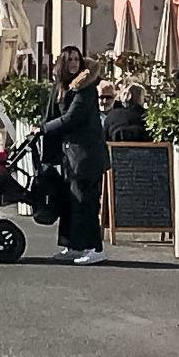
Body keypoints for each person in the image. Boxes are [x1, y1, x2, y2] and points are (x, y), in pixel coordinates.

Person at [41, 47, 108, 264]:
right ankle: (74, 245)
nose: (73, 63)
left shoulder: (85, 89)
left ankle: (95, 248)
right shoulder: (65, 87)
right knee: (72, 202)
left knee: (86, 202)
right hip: (72, 155)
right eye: (69, 59)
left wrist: (43, 129)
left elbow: (72, 118)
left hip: (86, 155)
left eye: (77, 59)